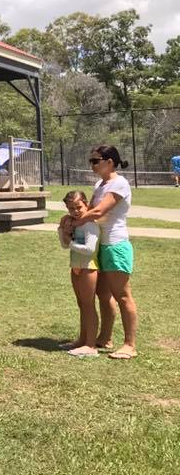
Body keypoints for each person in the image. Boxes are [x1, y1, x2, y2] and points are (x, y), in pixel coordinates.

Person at [74, 145, 138, 360]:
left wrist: (74, 222)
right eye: (90, 161)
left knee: (122, 295)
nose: (91, 165)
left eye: (95, 161)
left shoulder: (120, 183)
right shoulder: (100, 183)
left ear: (109, 161)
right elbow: (89, 208)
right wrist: (71, 218)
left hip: (115, 245)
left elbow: (100, 211)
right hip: (100, 245)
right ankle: (105, 338)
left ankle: (130, 345)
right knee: (103, 295)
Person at [57, 191, 100, 357]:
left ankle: (91, 344)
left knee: (89, 305)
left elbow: (89, 249)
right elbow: (64, 245)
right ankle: (82, 340)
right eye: (71, 208)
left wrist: (71, 242)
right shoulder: (74, 223)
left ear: (86, 204)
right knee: (81, 304)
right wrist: (62, 229)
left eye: (78, 207)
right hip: (75, 266)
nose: (75, 211)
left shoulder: (89, 224)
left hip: (88, 266)